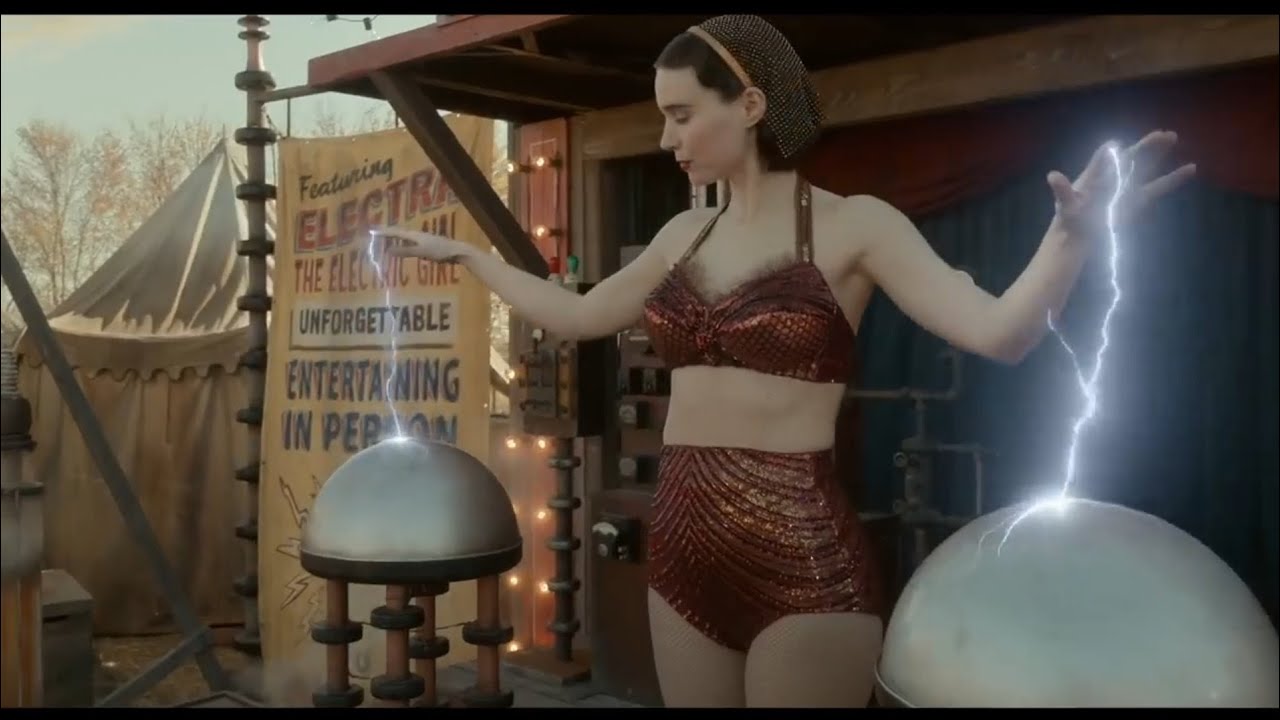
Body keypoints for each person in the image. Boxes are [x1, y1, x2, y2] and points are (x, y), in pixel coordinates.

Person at [377, 14, 1195, 708]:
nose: (666, 139)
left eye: (682, 114)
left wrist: (1072, 237)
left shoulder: (855, 226)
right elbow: (581, 315)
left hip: (801, 553)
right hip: (682, 542)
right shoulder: (679, 235)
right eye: (662, 118)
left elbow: (1000, 333)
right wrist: (470, 258)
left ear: (750, 104)